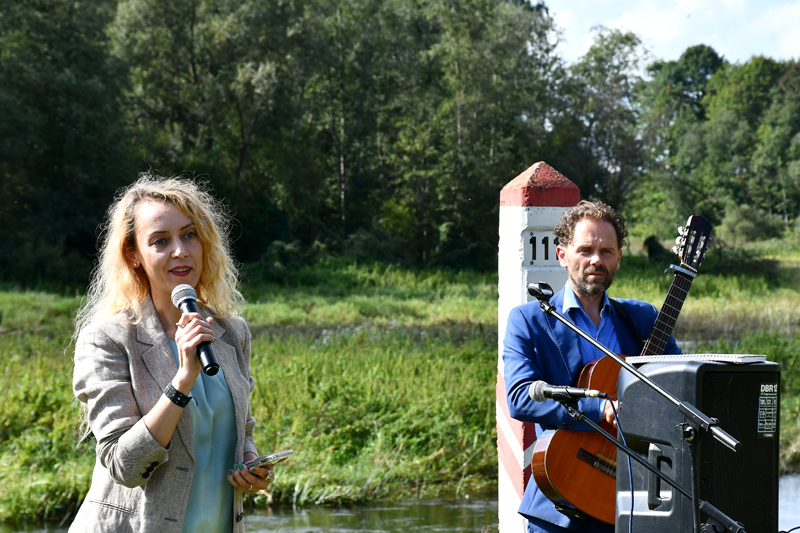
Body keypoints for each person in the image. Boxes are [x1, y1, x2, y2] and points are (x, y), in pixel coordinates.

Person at [71, 173, 276, 532]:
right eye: (161, 241)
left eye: (189, 234)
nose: (180, 250)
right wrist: (182, 380)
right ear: (133, 256)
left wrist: (250, 462)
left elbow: (241, 427)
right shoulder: (107, 340)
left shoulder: (232, 332)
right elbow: (124, 466)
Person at [502, 200, 681, 533]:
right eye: (585, 250)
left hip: (633, 500)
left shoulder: (643, 319)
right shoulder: (529, 321)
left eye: (606, 251)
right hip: (561, 500)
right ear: (562, 255)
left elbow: (679, 387)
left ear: (619, 259)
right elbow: (520, 397)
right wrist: (599, 409)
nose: (596, 260)